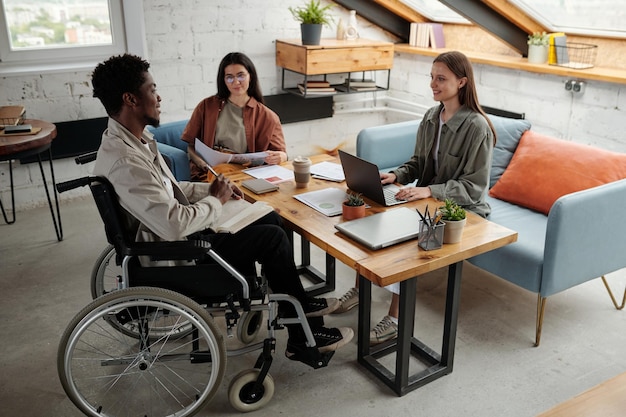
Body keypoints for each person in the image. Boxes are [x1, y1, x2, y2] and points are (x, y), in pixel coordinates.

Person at [91, 53, 352, 360]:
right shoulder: (127, 161)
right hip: (174, 254)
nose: (158, 97)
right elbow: (173, 223)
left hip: (171, 237)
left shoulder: (134, 141)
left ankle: (293, 309)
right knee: (271, 237)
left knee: (269, 219)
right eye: (152, 89)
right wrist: (215, 201)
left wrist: (217, 191)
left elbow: (170, 190)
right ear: (130, 99)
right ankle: (302, 336)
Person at [334, 51, 496, 345]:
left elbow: (474, 186)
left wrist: (429, 190)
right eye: (432, 77)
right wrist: (396, 176)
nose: (433, 84)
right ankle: (361, 289)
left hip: (463, 210)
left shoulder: (476, 127)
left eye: (441, 79)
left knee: (408, 241)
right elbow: (418, 163)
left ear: (461, 82)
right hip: (427, 200)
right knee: (373, 216)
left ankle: (395, 320)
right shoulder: (432, 116)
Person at [182, 52, 287, 181]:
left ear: (251, 77)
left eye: (241, 76)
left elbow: (281, 153)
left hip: (243, 171)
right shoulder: (206, 106)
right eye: (229, 77)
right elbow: (191, 146)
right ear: (224, 80)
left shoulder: (268, 116)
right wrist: (201, 163)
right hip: (208, 169)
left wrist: (282, 156)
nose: (236, 82)